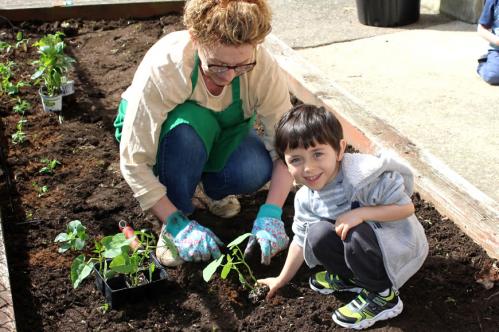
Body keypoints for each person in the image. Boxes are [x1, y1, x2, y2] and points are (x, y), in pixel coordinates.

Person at [114, 0, 294, 267]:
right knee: (186, 132)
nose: (229, 76)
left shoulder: (263, 68)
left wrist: (271, 213)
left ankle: (212, 191)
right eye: (218, 66)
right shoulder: (168, 66)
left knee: (254, 167)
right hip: (166, 137)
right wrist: (176, 223)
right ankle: (176, 215)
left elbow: (287, 147)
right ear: (195, 38)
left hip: (221, 133)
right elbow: (134, 161)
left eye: (242, 66)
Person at [258, 104, 429, 330]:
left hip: (400, 249)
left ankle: (383, 296)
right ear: (284, 163)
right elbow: (300, 241)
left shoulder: (364, 177)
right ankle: (355, 279)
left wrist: (360, 213)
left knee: (355, 231)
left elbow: (406, 207)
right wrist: (281, 280)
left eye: (318, 154)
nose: (308, 168)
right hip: (367, 251)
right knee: (316, 233)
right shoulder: (305, 198)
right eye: (296, 160)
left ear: (339, 150)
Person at [477, 0, 499, 85]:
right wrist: (497, 41)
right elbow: (481, 29)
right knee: (493, 76)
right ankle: (484, 63)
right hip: (497, 50)